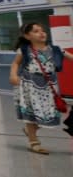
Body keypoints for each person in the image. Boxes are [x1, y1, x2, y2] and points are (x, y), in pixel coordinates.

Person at [9, 22, 73, 154]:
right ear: (27, 36)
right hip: (29, 84)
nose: (41, 33)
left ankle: (30, 130)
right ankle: (34, 142)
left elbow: (71, 57)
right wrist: (13, 75)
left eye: (42, 30)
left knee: (48, 113)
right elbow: (15, 63)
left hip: (49, 85)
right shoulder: (25, 50)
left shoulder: (55, 49)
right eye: (36, 31)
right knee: (31, 114)